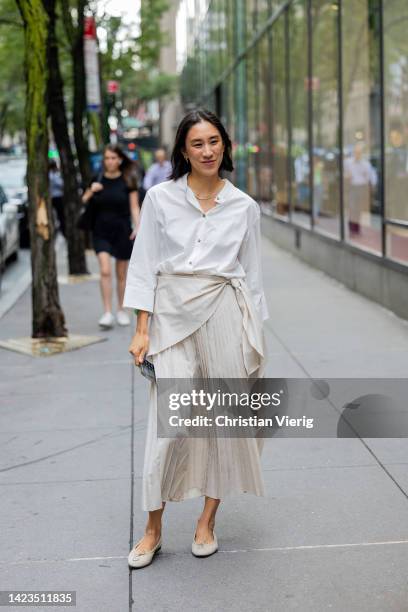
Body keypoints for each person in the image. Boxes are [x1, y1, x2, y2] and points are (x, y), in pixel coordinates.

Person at [123, 108, 269, 569]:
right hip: (171, 316)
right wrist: (141, 328)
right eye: (197, 144)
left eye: (214, 142)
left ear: (225, 144)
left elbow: (253, 276)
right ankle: (152, 529)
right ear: (183, 152)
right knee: (168, 426)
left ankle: (207, 521)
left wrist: (254, 337)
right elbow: (145, 263)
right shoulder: (160, 199)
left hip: (226, 312)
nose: (207, 151)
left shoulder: (245, 207)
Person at [81, 144, 140, 329]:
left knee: (121, 274)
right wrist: (92, 190)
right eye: (107, 158)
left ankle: (121, 310)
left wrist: (137, 226)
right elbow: (83, 200)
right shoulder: (97, 178)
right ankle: (107, 312)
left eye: (113, 158)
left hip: (122, 230)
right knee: (105, 270)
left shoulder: (128, 179)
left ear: (120, 159)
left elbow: (134, 206)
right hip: (101, 230)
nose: (110, 161)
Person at [48, 160, 65, 238]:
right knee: (60, 215)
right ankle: (62, 229)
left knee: (56, 215)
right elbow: (61, 184)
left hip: (53, 197)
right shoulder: (53, 175)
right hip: (57, 197)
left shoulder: (49, 175)